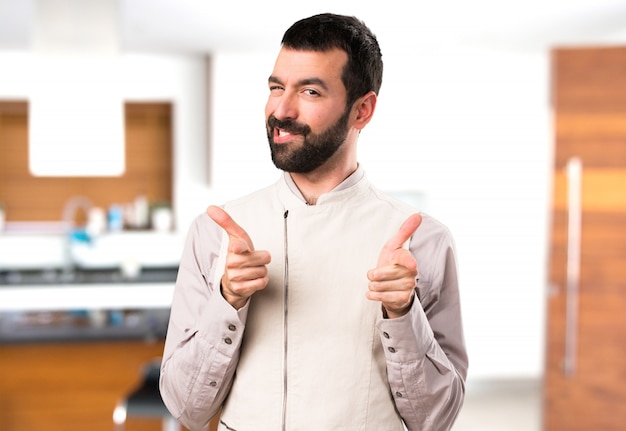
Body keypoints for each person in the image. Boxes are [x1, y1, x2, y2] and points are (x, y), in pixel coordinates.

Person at [160, 13, 468, 431]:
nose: (281, 110)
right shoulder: (216, 233)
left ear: (362, 110)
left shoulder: (423, 242)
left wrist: (402, 314)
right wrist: (227, 301)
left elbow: (436, 419)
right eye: (275, 88)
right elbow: (187, 409)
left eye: (309, 91)